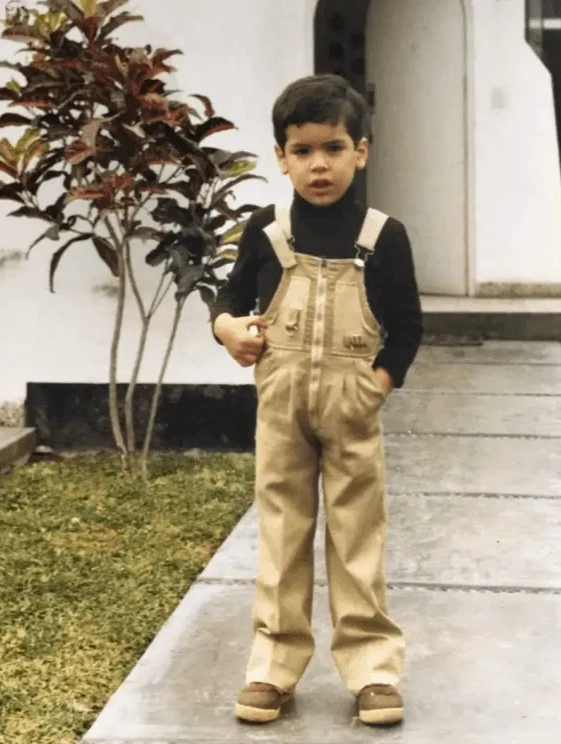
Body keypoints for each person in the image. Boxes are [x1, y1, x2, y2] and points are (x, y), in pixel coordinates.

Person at [211, 73, 423, 727]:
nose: (319, 164)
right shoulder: (266, 230)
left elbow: (408, 327)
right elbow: (230, 299)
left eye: (333, 147)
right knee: (281, 532)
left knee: (358, 537)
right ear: (281, 157)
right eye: (302, 151)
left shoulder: (383, 236)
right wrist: (227, 331)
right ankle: (272, 667)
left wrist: (377, 386)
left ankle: (372, 671)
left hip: (352, 410)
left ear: (361, 150)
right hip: (280, 411)